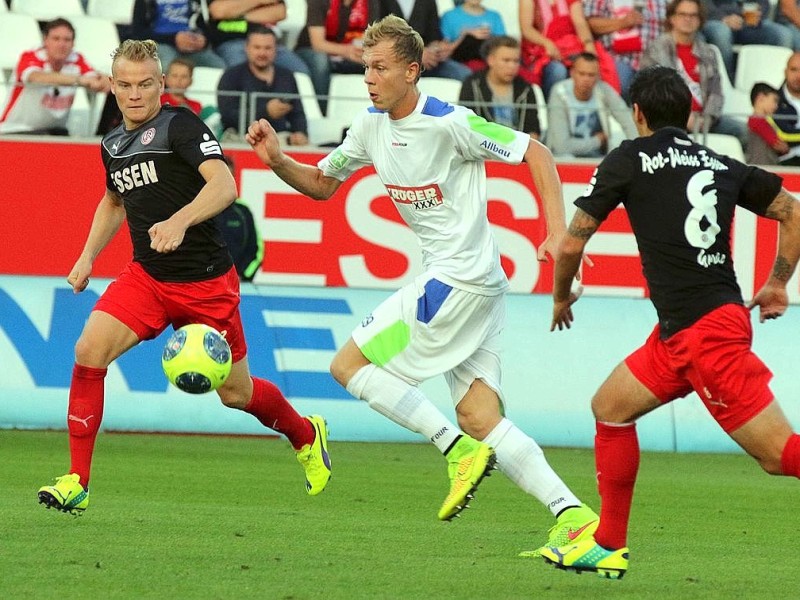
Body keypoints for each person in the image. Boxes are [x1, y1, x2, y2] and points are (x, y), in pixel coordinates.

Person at [246, 14, 599, 553]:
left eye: (380, 68)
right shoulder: (368, 126)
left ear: (412, 71)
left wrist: (556, 234)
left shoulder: (448, 121)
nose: (369, 78)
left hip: (457, 280)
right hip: (476, 286)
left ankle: (453, 451)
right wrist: (276, 161)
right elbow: (321, 184)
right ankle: (571, 515)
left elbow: (537, 152)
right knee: (480, 416)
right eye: (365, 68)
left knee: (347, 366)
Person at [36, 39, 331, 516]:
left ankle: (305, 433)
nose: (136, 95)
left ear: (161, 83)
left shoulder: (180, 125)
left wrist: (180, 220)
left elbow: (225, 185)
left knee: (237, 394)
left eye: (145, 84)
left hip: (206, 283)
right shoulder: (112, 142)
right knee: (88, 351)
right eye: (125, 85)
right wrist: (87, 255)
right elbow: (114, 201)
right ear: (112, 87)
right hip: (147, 278)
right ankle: (77, 480)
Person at [540, 64, 800, 579]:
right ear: (689, 112)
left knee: (778, 457)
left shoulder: (630, 158)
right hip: (682, 332)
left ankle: (610, 540)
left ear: (636, 113)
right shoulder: (720, 162)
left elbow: (570, 242)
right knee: (610, 407)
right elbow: (791, 211)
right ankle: (609, 543)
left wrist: (561, 295)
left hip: (706, 335)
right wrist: (777, 282)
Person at [641, 0, 747, 145]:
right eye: (682, 14)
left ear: (700, 20)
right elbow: (652, 95)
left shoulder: (708, 52)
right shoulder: (656, 50)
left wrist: (707, 119)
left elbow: (716, 93)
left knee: (746, 132)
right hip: (668, 120)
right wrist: (682, 117)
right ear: (672, 18)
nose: (688, 19)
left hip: (704, 120)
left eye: (693, 15)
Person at [0, 18, 110, 135]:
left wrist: (104, 81)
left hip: (55, 131)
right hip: (15, 130)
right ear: (45, 40)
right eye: (56, 39)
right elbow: (36, 77)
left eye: (67, 40)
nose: (61, 44)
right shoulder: (30, 57)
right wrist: (79, 80)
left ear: (73, 43)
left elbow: (97, 80)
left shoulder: (77, 60)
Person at [217, 26, 308, 144]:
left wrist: (300, 132)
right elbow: (228, 116)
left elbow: (297, 112)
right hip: (241, 138)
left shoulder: (287, 76)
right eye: (257, 47)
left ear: (276, 49)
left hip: (280, 139)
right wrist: (266, 112)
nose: (262, 53)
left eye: (268, 48)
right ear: (247, 48)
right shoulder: (231, 76)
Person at [518, 0, 620, 100]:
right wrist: (547, 43)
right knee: (557, 71)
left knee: (591, 66)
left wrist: (588, 45)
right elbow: (526, 29)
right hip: (541, 52)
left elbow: (580, 22)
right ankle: (553, 109)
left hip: (570, 49)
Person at [546, 53, 637, 157]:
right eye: (581, 74)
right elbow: (561, 147)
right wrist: (597, 141)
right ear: (572, 73)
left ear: (598, 76)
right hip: (565, 161)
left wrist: (635, 150)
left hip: (598, 160)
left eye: (591, 75)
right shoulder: (560, 92)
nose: (586, 79)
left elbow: (628, 121)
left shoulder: (604, 90)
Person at [294, 0, 373, 109]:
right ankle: (322, 110)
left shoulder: (371, 2)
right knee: (320, 61)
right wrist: (347, 51)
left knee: (376, 61)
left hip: (351, 49)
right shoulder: (319, 2)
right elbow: (318, 44)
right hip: (311, 50)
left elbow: (372, 35)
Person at [458, 35, 541, 138]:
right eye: (506, 60)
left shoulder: (526, 89)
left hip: (518, 150)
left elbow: (533, 130)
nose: (512, 66)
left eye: (516, 61)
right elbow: (465, 125)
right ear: (491, 60)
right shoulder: (473, 85)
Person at [583, 0, 669, 99]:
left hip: (655, 57)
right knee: (621, 86)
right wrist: (622, 22)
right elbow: (590, 24)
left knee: (664, 92)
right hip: (619, 57)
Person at [373, 0, 472, 81]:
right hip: (392, 61)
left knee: (466, 75)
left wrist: (437, 49)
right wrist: (416, 54)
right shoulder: (379, 2)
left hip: (427, 62)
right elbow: (380, 38)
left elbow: (433, 36)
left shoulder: (428, 2)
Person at [203, 0, 311, 75]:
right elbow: (218, 11)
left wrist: (235, 14)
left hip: (267, 42)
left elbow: (280, 12)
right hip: (233, 42)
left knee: (300, 71)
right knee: (241, 72)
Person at [702, 0, 792, 82]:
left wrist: (758, 13)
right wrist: (723, 18)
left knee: (783, 35)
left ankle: (775, 83)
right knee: (721, 33)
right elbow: (700, 4)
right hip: (715, 19)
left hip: (747, 22)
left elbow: (763, 3)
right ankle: (724, 82)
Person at [131, 0, 227, 69]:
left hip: (192, 46)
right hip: (160, 44)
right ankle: (165, 97)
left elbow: (205, 27)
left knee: (219, 66)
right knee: (169, 67)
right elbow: (138, 33)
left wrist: (204, 40)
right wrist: (173, 39)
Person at [215, 155, 264, 281]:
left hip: (238, 284)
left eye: (229, 176)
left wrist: (243, 276)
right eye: (220, 177)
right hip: (205, 284)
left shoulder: (242, 212)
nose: (225, 181)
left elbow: (257, 250)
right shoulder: (198, 209)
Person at [160, 57, 223, 137]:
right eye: (174, 76)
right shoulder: (157, 101)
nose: (179, 80)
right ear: (166, 79)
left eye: (184, 77)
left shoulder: (196, 105)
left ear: (191, 81)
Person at [440, 0, 506, 71]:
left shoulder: (494, 16)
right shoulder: (449, 16)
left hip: (489, 62)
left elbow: (503, 48)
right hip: (460, 63)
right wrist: (465, 34)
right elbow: (444, 52)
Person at [746, 82, 788, 165]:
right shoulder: (758, 121)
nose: (776, 106)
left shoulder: (754, 120)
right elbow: (778, 144)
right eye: (774, 100)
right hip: (763, 167)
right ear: (761, 98)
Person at [772, 52, 800, 166]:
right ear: (785, 72)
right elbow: (784, 135)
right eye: (794, 70)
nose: (798, 76)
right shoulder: (774, 101)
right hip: (786, 162)